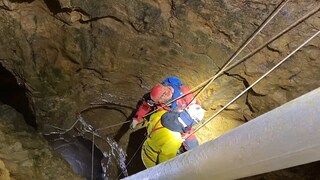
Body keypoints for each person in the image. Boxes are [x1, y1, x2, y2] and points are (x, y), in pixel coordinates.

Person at [141, 104, 205, 168]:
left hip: (146, 148)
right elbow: (164, 164)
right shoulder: (174, 139)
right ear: (194, 123)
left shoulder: (161, 114)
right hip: (152, 161)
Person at [130, 77, 199, 129]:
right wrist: (136, 118)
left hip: (180, 119)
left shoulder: (185, 94)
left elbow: (195, 111)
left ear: (163, 99)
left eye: (157, 102)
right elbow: (145, 106)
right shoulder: (158, 94)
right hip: (165, 117)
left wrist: (184, 131)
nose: (156, 103)